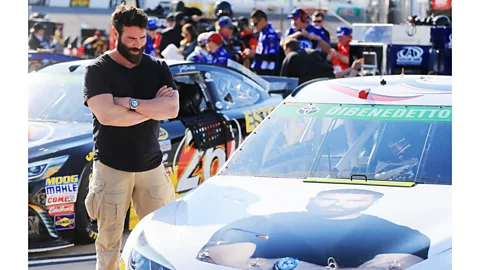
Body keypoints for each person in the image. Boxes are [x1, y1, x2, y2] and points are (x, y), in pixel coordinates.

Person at [82, 4, 178, 270]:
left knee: (160, 241)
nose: (137, 45)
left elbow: (171, 108)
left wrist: (129, 103)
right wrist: (150, 107)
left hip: (152, 167)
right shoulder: (98, 70)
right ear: (115, 33)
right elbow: (108, 117)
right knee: (109, 244)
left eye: (142, 38)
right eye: (131, 39)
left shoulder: (157, 67)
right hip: (111, 167)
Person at [198, 189, 431, 269]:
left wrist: (274, 265)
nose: (339, 203)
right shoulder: (266, 220)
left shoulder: (398, 233)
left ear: (370, 202)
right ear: (312, 199)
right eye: (330, 198)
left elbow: (396, 266)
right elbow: (216, 256)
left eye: (353, 199)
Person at [243, 9, 279, 75]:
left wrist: (254, 55)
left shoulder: (270, 35)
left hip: (266, 72)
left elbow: (272, 57)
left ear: (262, 20)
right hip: (259, 71)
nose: (254, 27)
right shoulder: (262, 33)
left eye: (255, 24)